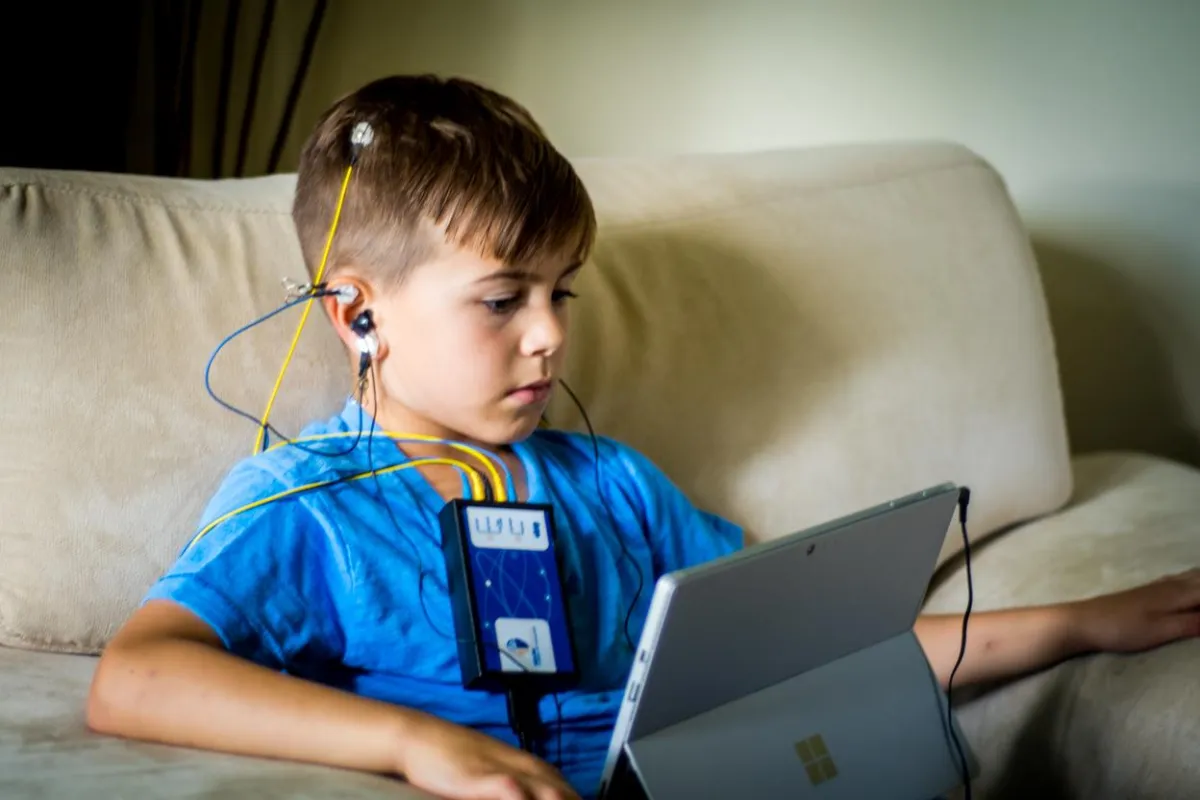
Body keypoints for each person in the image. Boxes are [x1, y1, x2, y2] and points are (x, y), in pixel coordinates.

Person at [87, 74, 1200, 800]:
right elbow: (134, 678)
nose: (549, 337)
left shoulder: (612, 482)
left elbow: (812, 645)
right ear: (357, 311)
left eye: (563, 292)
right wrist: (416, 743)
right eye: (502, 299)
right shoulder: (308, 503)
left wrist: (1085, 620)